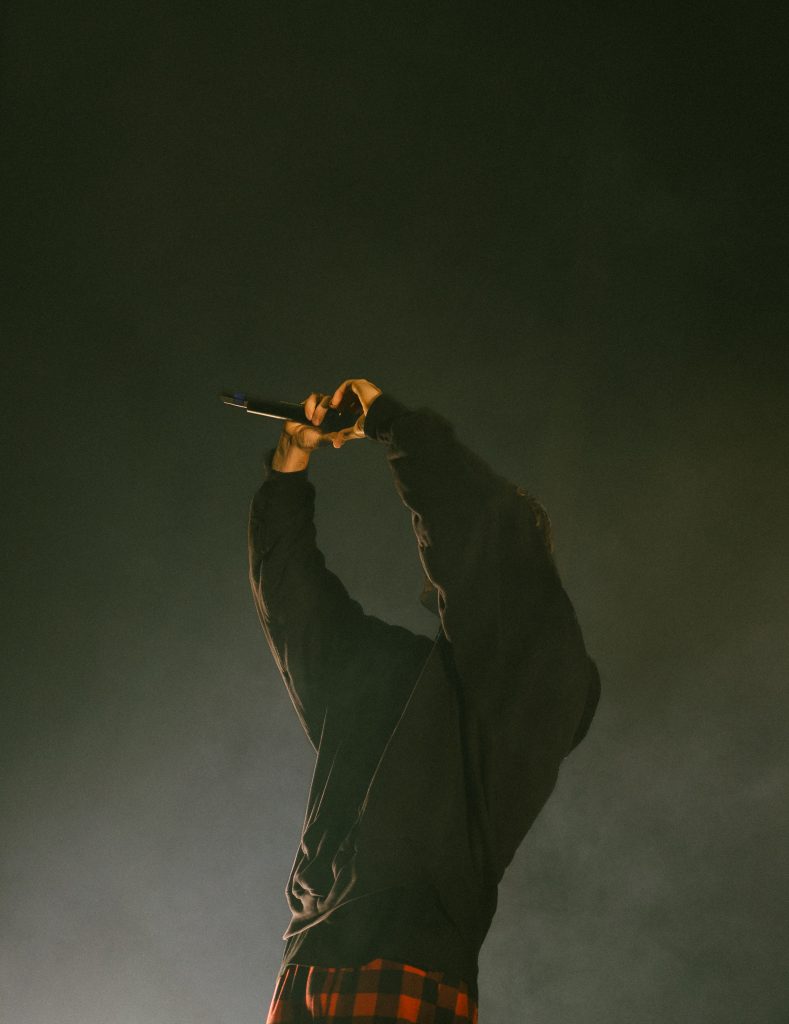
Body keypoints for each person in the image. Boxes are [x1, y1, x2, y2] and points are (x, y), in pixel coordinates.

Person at [247, 378, 601, 1023]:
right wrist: (289, 468)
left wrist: (393, 422)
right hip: (308, 960)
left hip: (408, 959)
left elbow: (481, 533)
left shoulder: (543, 686)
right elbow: (294, 603)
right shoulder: (390, 672)